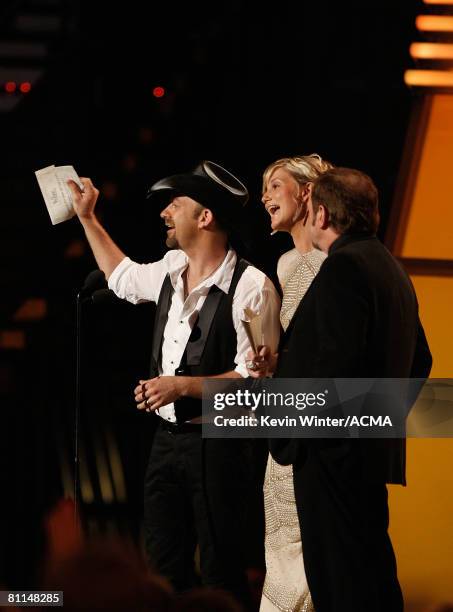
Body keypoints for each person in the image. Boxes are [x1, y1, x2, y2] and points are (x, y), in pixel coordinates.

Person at [67, 160, 280, 607]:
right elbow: (121, 277)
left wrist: (179, 386)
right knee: (163, 566)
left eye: (175, 204)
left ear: (205, 217)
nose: (165, 212)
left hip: (220, 446)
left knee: (220, 570)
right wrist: (88, 217)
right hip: (167, 444)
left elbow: (255, 382)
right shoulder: (170, 267)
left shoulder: (251, 286)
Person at [249, 167, 432, 612]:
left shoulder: (343, 268)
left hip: (332, 456)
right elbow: (421, 359)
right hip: (364, 453)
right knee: (369, 575)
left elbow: (330, 367)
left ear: (322, 214)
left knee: (341, 585)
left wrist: (289, 433)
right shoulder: (391, 268)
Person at [258, 155, 332, 612]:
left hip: (320, 430)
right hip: (282, 430)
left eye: (275, 186)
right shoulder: (283, 266)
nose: (265, 196)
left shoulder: (334, 265)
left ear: (306, 193)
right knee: (281, 542)